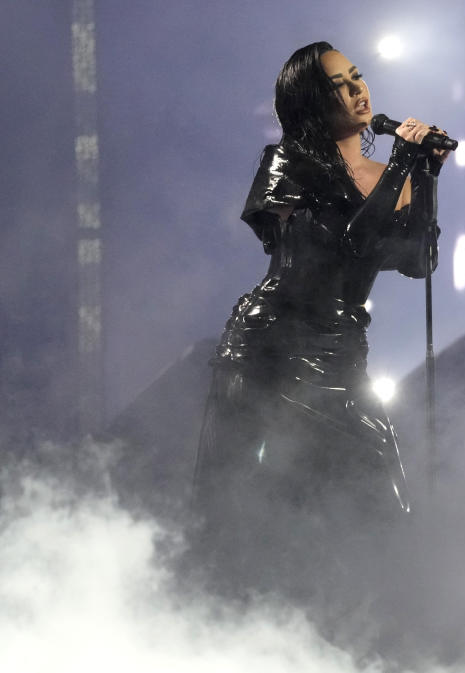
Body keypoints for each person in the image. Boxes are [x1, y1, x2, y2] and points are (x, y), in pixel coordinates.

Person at [190, 41, 449, 597]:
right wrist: (404, 162)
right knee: (232, 500)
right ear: (312, 101)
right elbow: (351, 242)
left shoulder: (391, 173)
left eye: (358, 77)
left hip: (341, 352)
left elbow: (417, 260)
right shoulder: (288, 163)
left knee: (382, 503)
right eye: (340, 85)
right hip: (269, 347)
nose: (358, 91)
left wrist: (425, 175)